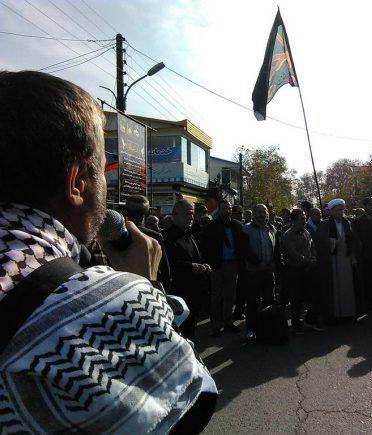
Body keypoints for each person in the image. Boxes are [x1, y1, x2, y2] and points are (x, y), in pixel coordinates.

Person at [0, 71, 216, 433]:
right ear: (77, 183)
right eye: (101, 169)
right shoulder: (108, 307)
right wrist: (143, 288)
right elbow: (186, 406)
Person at [163, 199, 212, 340]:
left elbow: (196, 257)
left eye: (192, 214)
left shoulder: (190, 235)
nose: (191, 217)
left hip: (194, 293)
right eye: (188, 214)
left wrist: (203, 266)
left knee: (191, 332)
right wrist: (191, 267)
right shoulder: (166, 237)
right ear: (175, 214)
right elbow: (167, 265)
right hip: (178, 295)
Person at [313, 199, 362, 322]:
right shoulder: (324, 225)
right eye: (337, 210)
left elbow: (354, 240)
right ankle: (335, 316)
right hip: (332, 262)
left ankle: (349, 313)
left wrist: (353, 254)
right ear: (331, 211)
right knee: (334, 289)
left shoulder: (348, 223)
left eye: (341, 210)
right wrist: (331, 243)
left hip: (346, 260)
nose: (340, 212)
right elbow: (319, 243)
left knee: (348, 287)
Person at [202, 199, 244, 337]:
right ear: (219, 210)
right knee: (216, 297)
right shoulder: (212, 226)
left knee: (230, 296)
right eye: (224, 208)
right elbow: (206, 247)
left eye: (229, 208)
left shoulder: (237, 225)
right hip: (217, 266)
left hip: (232, 265)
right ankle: (216, 325)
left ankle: (228, 322)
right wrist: (209, 263)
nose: (227, 211)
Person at [242, 204, 280, 340]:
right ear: (253, 214)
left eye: (264, 212)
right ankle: (251, 329)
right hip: (254, 271)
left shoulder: (272, 228)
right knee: (253, 301)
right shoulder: (246, 229)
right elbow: (245, 249)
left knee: (269, 300)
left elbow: (276, 248)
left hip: (269, 271)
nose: (261, 215)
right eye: (259, 212)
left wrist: (274, 262)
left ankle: (268, 328)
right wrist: (258, 263)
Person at [125, 194, 172, 291]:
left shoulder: (118, 235)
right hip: (150, 287)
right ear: (146, 214)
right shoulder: (155, 236)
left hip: (125, 285)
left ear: (126, 212)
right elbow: (165, 270)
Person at [281, 209, 317, 334]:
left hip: (307, 269)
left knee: (311, 296)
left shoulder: (306, 232)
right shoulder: (288, 235)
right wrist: (308, 261)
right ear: (293, 221)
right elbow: (294, 254)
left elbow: (312, 247)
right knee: (296, 299)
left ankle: (309, 321)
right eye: (301, 219)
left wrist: (313, 257)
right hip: (294, 271)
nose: (304, 221)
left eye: (304, 218)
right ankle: (296, 324)